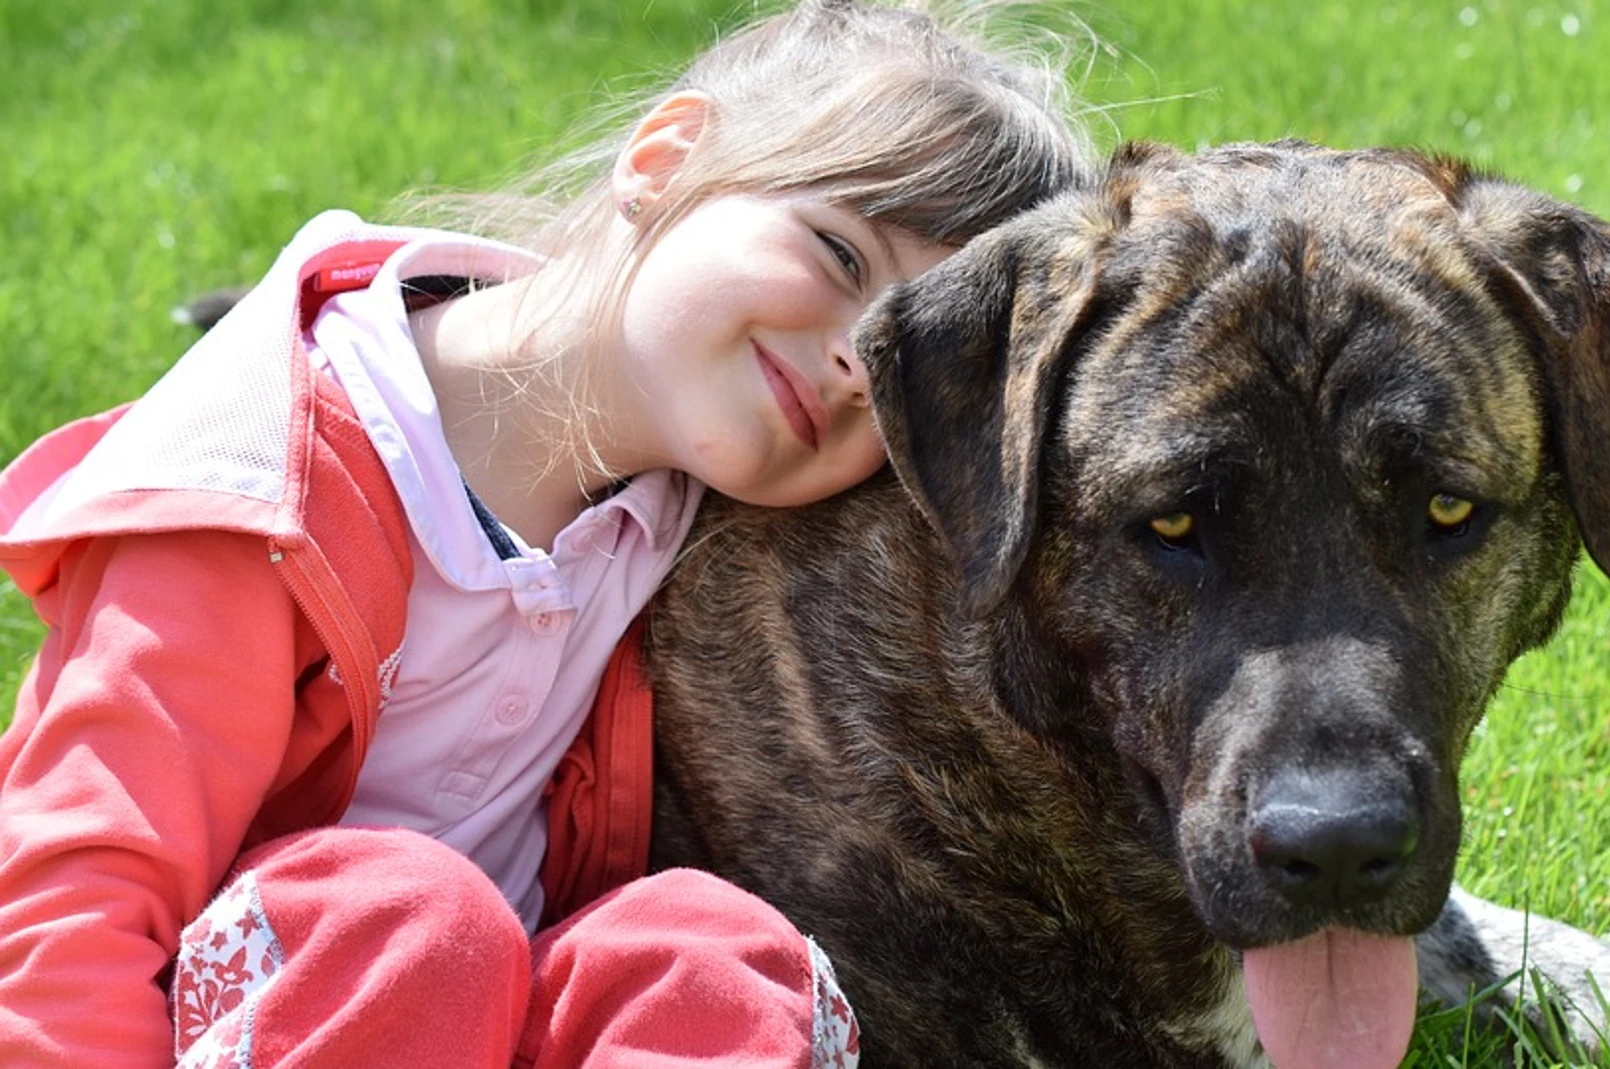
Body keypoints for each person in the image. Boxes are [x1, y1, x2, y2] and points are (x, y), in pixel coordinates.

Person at [0, 1, 1096, 1064]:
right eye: (841, 255)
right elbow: (72, 902)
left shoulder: (673, 524)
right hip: (242, 1007)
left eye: (901, 361)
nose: (857, 361)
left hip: (493, 1004)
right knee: (415, 920)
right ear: (662, 160)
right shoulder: (267, 491)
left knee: (706, 954)